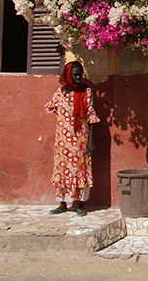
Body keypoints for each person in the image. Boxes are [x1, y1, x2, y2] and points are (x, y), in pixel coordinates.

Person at [45, 61, 100, 216]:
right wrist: (65, 119)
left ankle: (81, 203)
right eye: (75, 75)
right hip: (62, 141)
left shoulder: (86, 92)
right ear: (68, 75)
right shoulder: (60, 93)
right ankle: (62, 203)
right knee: (62, 169)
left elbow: (91, 117)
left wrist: (91, 141)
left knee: (81, 170)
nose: (78, 78)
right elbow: (51, 107)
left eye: (80, 75)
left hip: (80, 140)